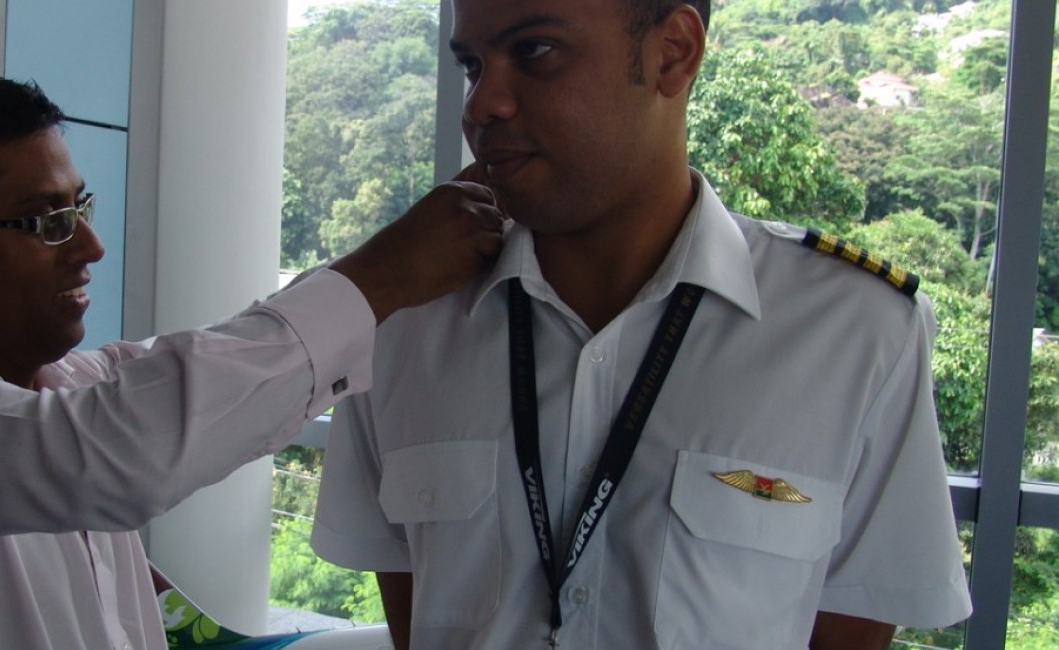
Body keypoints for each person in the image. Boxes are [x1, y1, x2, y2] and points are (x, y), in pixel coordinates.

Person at [0, 73, 504, 650]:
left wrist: (399, 275)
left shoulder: (69, 391)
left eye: (81, 208)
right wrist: (381, 277)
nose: (90, 246)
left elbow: (212, 361)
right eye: (49, 221)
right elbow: (118, 453)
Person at [310, 1, 972, 649]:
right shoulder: (404, 324)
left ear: (673, 52)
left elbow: (853, 623)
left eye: (534, 51)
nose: (483, 104)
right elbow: (409, 599)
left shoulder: (853, 330)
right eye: (472, 64)